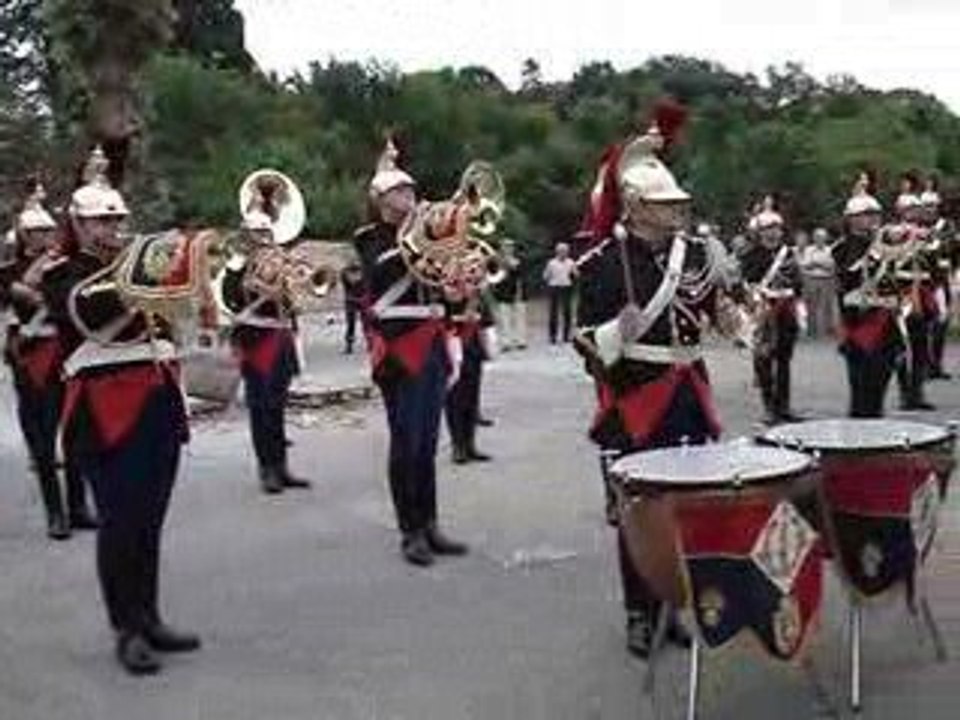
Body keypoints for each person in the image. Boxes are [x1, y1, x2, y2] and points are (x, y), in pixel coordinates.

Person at [574, 102, 742, 659]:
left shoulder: (693, 253)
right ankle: (639, 613)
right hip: (638, 399)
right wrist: (611, 334)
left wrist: (734, 320)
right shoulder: (600, 262)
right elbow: (584, 342)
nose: (675, 214)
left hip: (689, 391)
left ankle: (674, 605)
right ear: (637, 206)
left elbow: (711, 308)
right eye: (664, 206)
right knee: (641, 513)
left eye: (676, 205)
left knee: (689, 507)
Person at [42, 147, 200, 675]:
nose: (110, 227)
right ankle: (125, 627)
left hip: (156, 397)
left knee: (150, 520)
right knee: (121, 521)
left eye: (115, 218)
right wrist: (146, 268)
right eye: (99, 220)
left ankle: (150, 616)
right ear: (78, 224)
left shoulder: (132, 264)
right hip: (104, 406)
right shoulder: (63, 272)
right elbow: (87, 311)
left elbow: (176, 315)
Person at [352, 138, 468, 567]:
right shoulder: (371, 238)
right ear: (382, 200)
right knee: (407, 442)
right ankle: (410, 530)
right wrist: (420, 240)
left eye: (412, 191)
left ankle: (431, 523)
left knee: (429, 441)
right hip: (399, 349)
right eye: (400, 192)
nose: (411, 197)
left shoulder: (426, 236)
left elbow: (443, 288)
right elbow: (380, 271)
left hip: (433, 341)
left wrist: (458, 284)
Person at [0, 183, 97, 539]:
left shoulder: (63, 266)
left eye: (46, 229)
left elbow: (72, 300)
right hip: (27, 357)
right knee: (42, 443)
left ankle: (78, 506)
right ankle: (55, 513)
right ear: (24, 234)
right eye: (36, 230)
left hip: (61, 354)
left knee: (75, 435)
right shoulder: (8, 269)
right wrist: (20, 288)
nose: (42, 235)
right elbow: (9, 299)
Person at [221, 187, 311, 495]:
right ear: (245, 234)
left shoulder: (280, 259)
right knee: (261, 407)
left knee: (279, 404)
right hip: (255, 336)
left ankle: (282, 466)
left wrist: (291, 287)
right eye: (257, 233)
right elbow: (228, 299)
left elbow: (294, 300)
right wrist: (257, 286)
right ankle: (267, 469)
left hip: (281, 334)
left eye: (266, 232)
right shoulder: (237, 264)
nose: (263, 238)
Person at [832, 173, 903, 417]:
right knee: (861, 393)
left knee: (879, 390)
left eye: (875, 215)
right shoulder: (842, 248)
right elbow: (850, 276)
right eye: (865, 215)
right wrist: (877, 251)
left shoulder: (887, 246)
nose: (872, 219)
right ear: (851, 219)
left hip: (886, 324)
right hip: (859, 324)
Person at [739, 196, 804, 424]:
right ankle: (769, 407)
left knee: (784, 361)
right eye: (768, 229)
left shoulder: (789, 254)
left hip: (785, 309)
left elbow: (797, 282)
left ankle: (784, 407)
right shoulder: (749, 254)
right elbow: (744, 283)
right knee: (764, 360)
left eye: (776, 228)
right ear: (759, 232)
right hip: (763, 310)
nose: (773, 233)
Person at [893, 177, 937, 410]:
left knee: (921, 345)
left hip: (923, 290)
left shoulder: (927, 234)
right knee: (902, 344)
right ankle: (904, 393)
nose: (913, 212)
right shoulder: (892, 233)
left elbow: (934, 263)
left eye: (915, 208)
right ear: (900, 210)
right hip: (902, 292)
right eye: (908, 208)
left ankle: (917, 393)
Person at [444, 292, 493, 464]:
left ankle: (470, 444)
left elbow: (485, 319)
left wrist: (486, 343)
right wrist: (462, 316)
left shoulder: (475, 290)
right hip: (452, 342)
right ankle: (457, 446)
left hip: (473, 344)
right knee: (454, 398)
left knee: (472, 397)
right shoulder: (443, 282)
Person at [920, 178, 953, 379]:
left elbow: (951, 247)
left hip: (940, 280)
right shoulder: (915, 226)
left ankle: (936, 365)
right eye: (926, 206)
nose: (929, 209)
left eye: (932, 205)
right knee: (920, 325)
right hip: (921, 281)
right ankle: (922, 364)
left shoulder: (946, 225)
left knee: (941, 322)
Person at [491, 238, 527, 351]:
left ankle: (521, 341)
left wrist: (520, 292)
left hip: (518, 291)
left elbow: (521, 276)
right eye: (505, 246)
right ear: (501, 248)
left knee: (519, 318)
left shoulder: (520, 259)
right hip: (503, 293)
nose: (508, 248)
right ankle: (506, 343)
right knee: (504, 318)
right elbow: (493, 277)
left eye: (510, 246)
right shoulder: (496, 260)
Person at [800, 227, 837, 338]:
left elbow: (832, 266)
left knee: (828, 306)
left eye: (822, 237)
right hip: (812, 280)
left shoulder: (830, 250)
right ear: (814, 238)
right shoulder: (808, 250)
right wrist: (820, 263)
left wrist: (816, 263)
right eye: (818, 237)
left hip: (827, 280)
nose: (820, 239)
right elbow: (804, 265)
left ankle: (829, 330)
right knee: (811, 305)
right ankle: (812, 330)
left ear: (826, 238)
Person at [543, 241, 577, 343]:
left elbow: (576, 274)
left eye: (565, 251)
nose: (564, 253)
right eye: (561, 251)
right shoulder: (551, 262)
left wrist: (575, 272)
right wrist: (550, 280)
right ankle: (552, 336)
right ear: (557, 252)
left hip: (566, 287)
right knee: (553, 313)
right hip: (554, 287)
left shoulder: (571, 262)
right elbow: (545, 276)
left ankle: (566, 336)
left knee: (567, 312)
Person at [340, 259, 366, 354]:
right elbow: (348, 284)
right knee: (350, 323)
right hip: (351, 300)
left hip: (362, 298)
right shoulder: (344, 273)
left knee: (366, 322)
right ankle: (349, 345)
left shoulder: (363, 272)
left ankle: (370, 341)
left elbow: (365, 285)